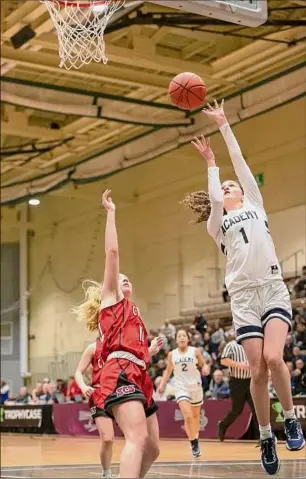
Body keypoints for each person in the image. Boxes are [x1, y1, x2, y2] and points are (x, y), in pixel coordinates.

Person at [184, 99, 305, 475]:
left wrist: (223, 125)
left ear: (244, 192)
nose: (229, 186)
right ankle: (266, 436)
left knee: (273, 359)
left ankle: (290, 420)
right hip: (242, 299)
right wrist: (209, 165)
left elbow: (241, 164)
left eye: (231, 185)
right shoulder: (216, 223)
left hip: (271, 288)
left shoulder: (255, 201)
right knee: (257, 371)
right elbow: (215, 195)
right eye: (224, 186)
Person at [73, 189, 161, 479]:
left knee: (152, 449)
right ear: (109, 286)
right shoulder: (110, 299)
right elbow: (112, 252)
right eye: (120, 277)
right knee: (136, 440)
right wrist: (111, 212)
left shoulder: (134, 313)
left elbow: (139, 351)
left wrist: (151, 352)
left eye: (127, 278)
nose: (124, 279)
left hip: (140, 374)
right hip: (119, 372)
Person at [158, 329, 210, 458]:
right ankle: (194, 443)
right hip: (181, 388)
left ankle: (195, 436)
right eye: (179, 336)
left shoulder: (195, 351)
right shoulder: (172, 354)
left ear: (188, 339)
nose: (181, 338)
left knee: (196, 416)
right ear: (176, 340)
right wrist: (162, 385)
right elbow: (168, 371)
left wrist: (205, 369)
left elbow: (204, 365)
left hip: (196, 386)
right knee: (187, 416)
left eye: (184, 335)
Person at [75, 338, 114, 478]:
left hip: (121, 392)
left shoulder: (121, 343)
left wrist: (149, 352)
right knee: (108, 438)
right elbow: (78, 372)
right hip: (100, 394)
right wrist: (83, 386)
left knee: (137, 437)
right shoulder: (93, 347)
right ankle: (106, 473)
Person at [218, 339, 258, 441]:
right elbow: (223, 360)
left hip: (251, 381)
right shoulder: (231, 345)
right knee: (236, 410)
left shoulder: (252, 343)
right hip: (237, 382)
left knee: (257, 409)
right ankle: (223, 424)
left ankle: (262, 437)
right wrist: (239, 365)